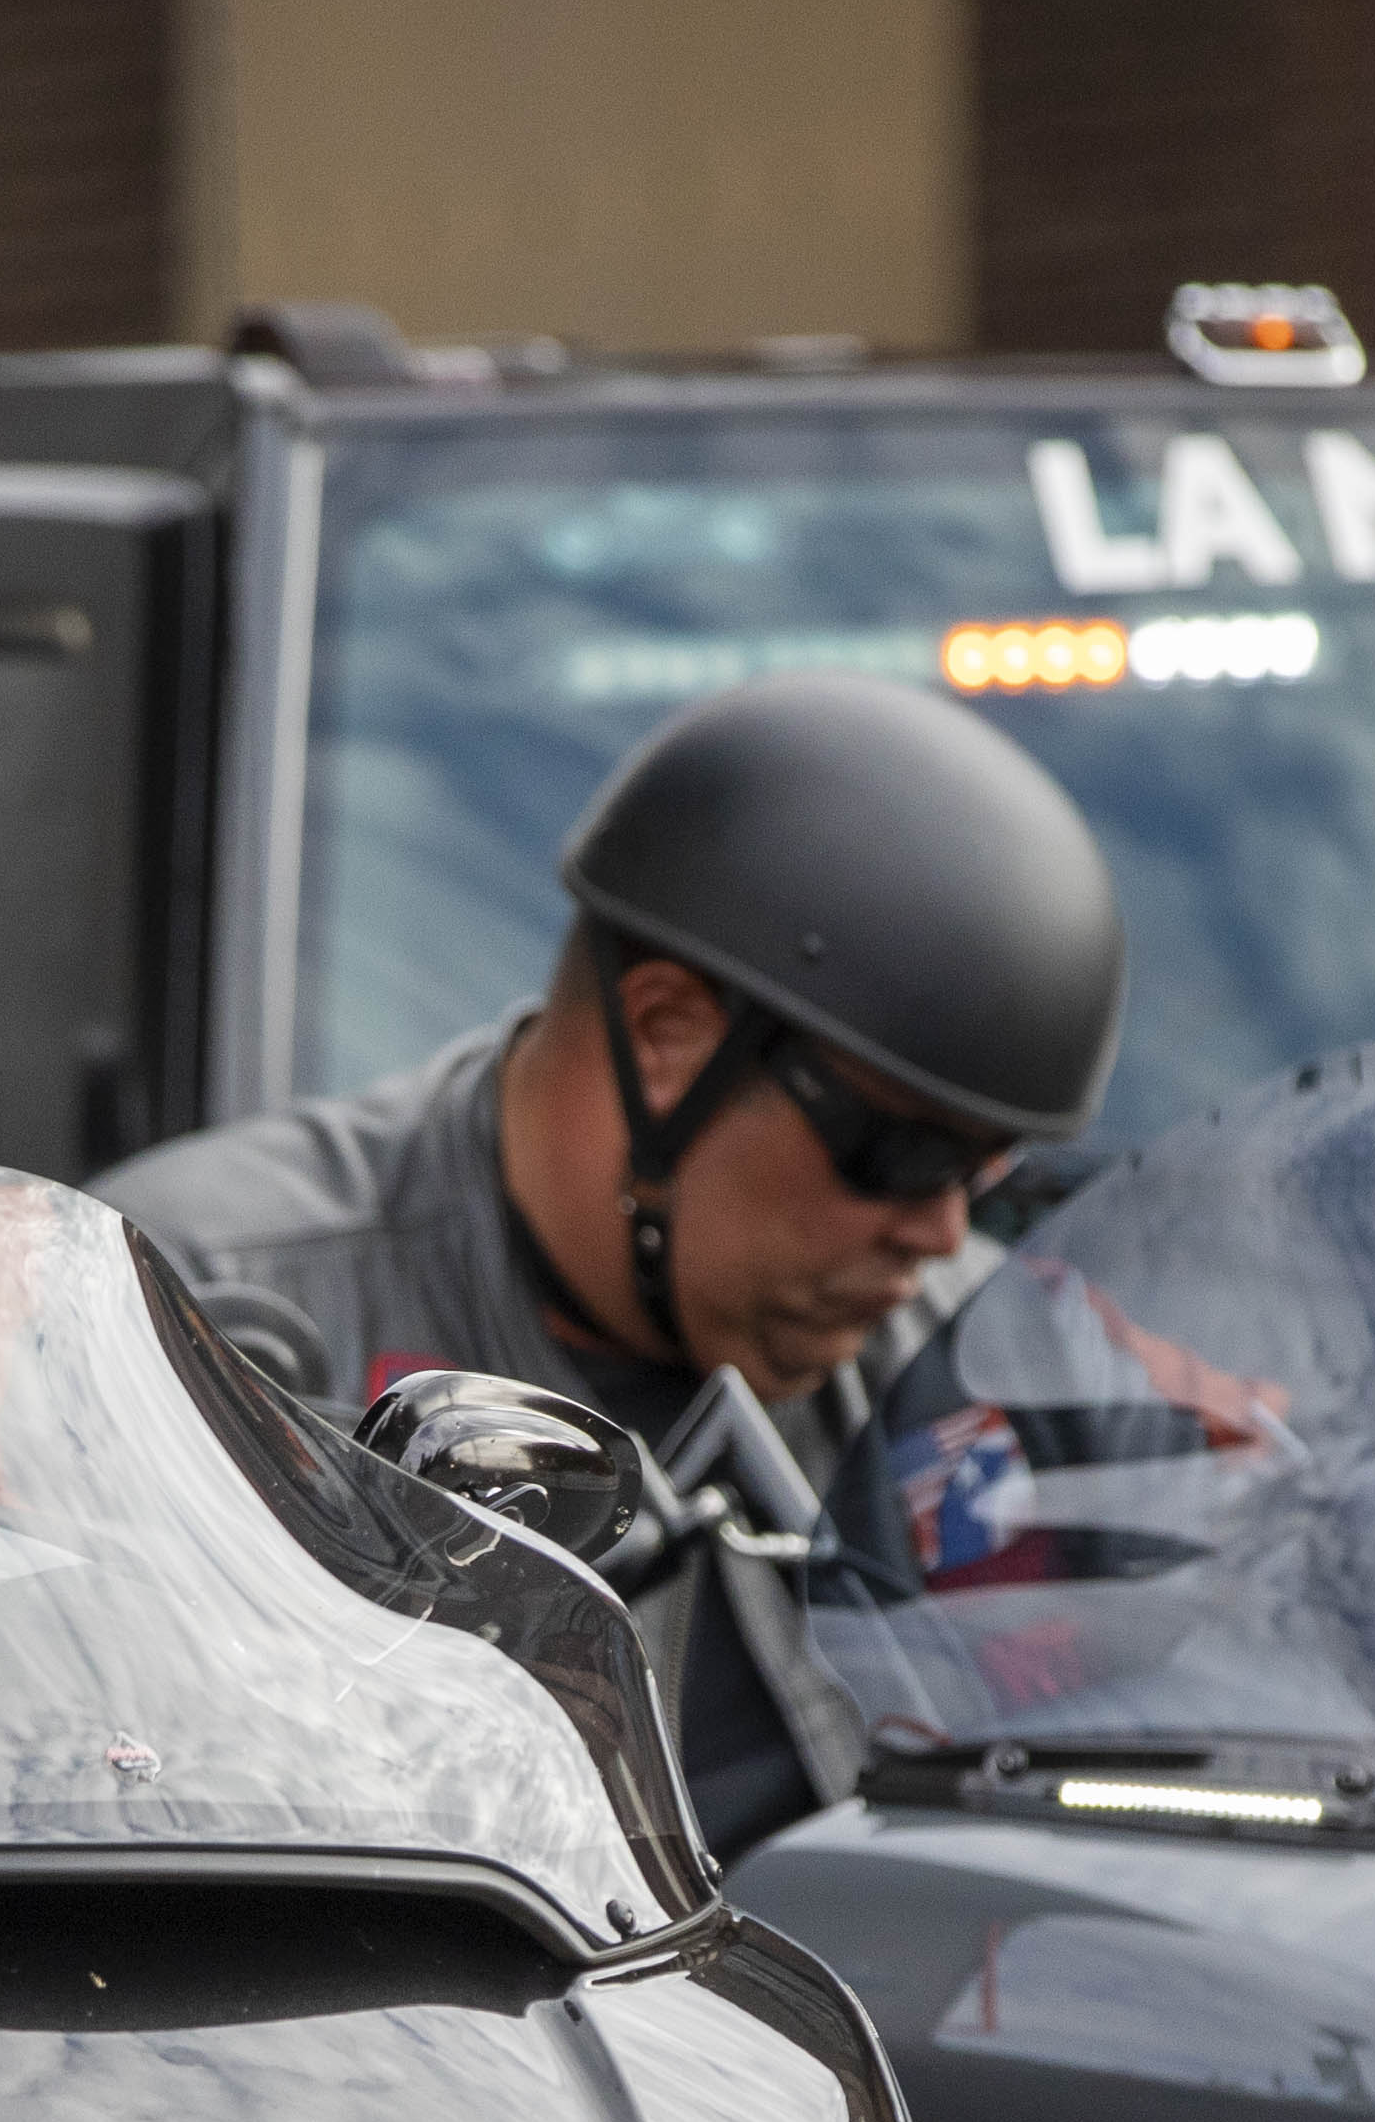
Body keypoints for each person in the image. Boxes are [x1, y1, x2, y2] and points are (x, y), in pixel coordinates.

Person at [92, 671, 1124, 1847]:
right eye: (900, 1152)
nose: (942, 1231)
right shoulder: (191, 1320)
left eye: (992, 1176)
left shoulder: (969, 1362)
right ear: (667, 1034)